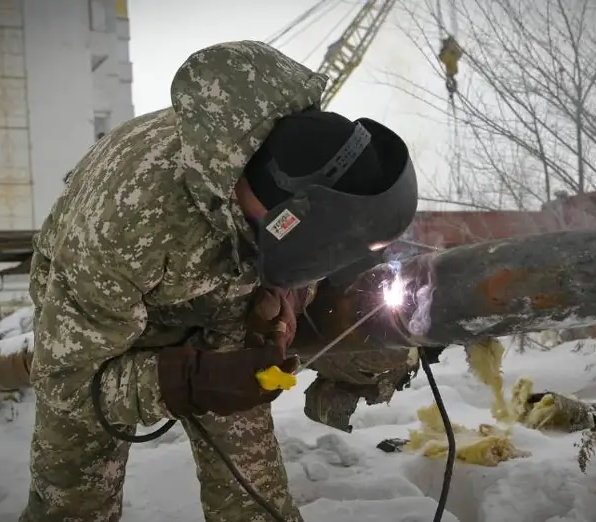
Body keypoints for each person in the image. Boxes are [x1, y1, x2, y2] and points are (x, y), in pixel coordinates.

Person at [20, 40, 418, 522]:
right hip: (97, 320)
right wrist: (188, 381)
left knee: (252, 492)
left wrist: (282, 302)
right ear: (282, 218)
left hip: (206, 285)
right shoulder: (130, 222)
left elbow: (298, 259)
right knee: (72, 501)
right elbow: (66, 383)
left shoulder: (283, 173)